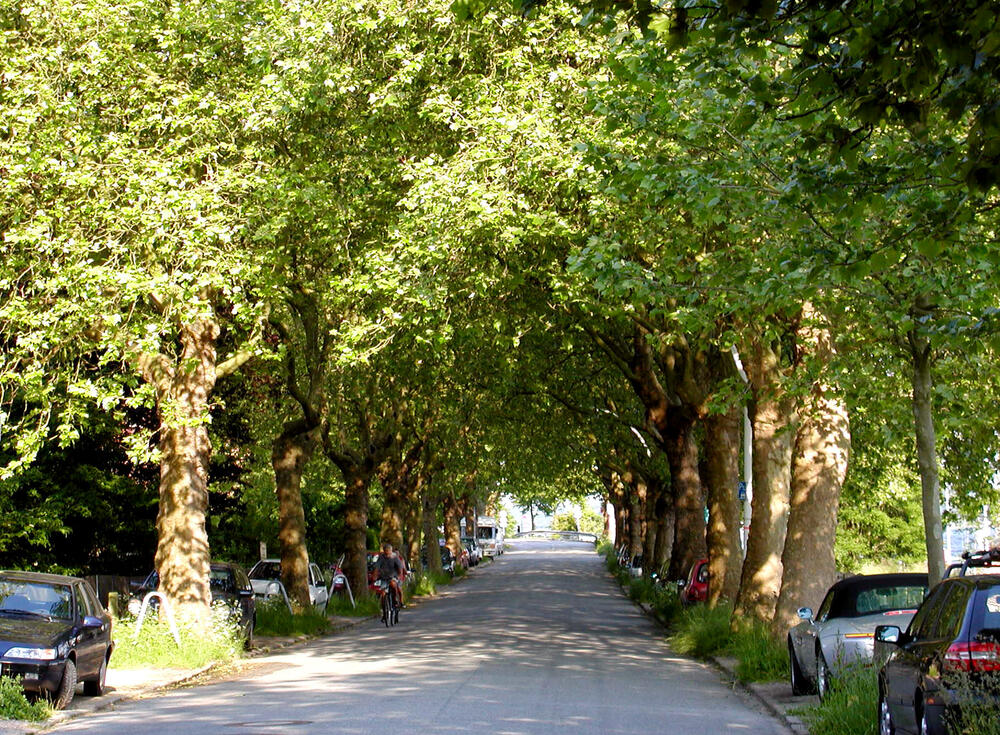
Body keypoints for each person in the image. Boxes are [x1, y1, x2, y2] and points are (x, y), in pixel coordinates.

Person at [374, 542, 404, 609]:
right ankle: (384, 612)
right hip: (384, 577)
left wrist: (399, 576)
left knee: (393, 584)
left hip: (393, 576)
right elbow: (377, 567)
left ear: (391, 551)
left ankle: (395, 599)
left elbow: (400, 568)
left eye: (388, 552)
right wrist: (375, 576)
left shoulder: (395, 557)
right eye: (385, 552)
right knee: (383, 593)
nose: (387, 554)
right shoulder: (381, 557)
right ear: (384, 551)